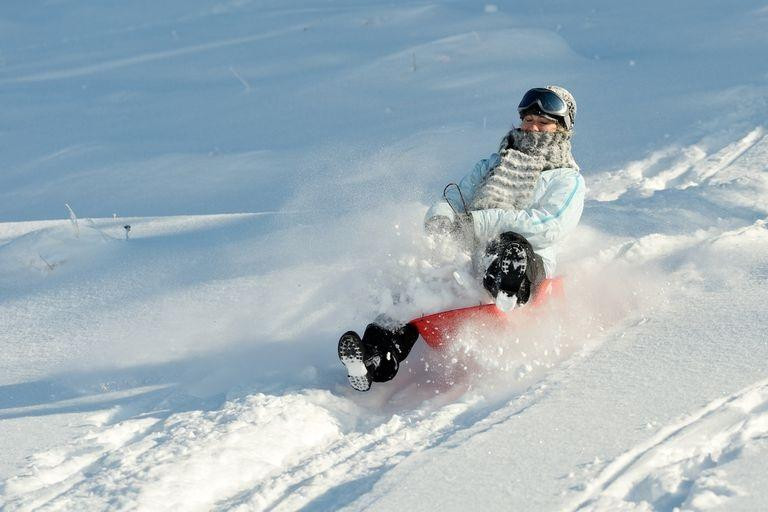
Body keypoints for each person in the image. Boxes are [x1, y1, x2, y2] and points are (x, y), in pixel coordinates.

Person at [339, 85, 586, 391]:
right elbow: (455, 199)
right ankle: (374, 358)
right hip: (470, 262)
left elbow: (548, 225)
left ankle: (507, 286)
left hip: (526, 268)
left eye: (544, 122)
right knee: (414, 287)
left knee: (510, 241)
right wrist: (441, 220)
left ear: (562, 129)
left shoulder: (567, 179)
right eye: (529, 119)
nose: (533, 127)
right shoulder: (494, 165)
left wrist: (477, 224)